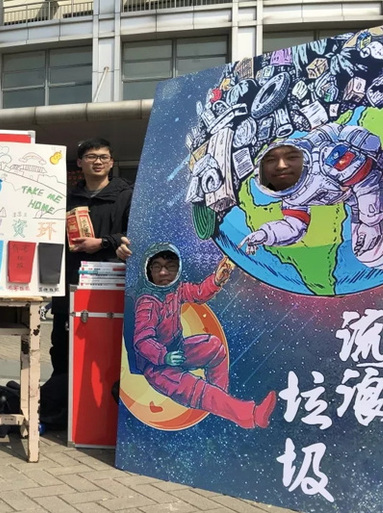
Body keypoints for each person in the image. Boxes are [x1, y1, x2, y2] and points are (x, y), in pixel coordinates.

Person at [132, 244, 276, 429]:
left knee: (214, 347)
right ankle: (252, 415)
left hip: (177, 350)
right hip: (157, 367)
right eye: (157, 267)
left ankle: (220, 402)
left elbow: (198, 293)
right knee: (195, 388)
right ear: (148, 270)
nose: (163, 272)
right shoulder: (147, 303)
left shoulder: (175, 289)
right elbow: (142, 340)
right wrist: (164, 356)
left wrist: (216, 280)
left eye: (170, 266)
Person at [241, 125, 383, 268]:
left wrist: (370, 222)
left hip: (373, 185)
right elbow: (294, 226)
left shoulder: (327, 160)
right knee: (371, 255)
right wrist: (265, 234)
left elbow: (367, 179)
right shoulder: (293, 196)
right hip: (356, 200)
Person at [51, 138, 132, 376]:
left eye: (103, 157)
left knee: (107, 349)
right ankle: (62, 396)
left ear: (111, 162)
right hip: (70, 284)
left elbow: (136, 233)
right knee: (62, 348)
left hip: (109, 285)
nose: (98, 162)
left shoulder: (126, 196)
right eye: (91, 157)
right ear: (79, 163)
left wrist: (103, 242)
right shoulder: (66, 199)